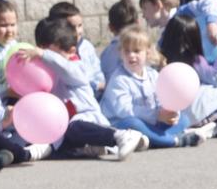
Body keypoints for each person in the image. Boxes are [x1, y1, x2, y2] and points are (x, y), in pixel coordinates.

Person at [21, 17, 147, 160]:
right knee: (59, 146)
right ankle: (33, 153)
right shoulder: (49, 74)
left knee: (73, 128)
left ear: (71, 51)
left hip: (87, 119)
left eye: (52, 54)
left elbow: (65, 69)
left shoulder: (76, 66)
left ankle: (122, 136)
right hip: (64, 127)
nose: (48, 60)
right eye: (44, 51)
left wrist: (43, 55)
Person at [99, 27, 202, 149]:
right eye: (127, 51)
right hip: (121, 123)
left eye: (136, 51)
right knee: (133, 123)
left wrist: (170, 113)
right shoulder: (119, 79)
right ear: (121, 53)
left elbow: (163, 98)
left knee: (183, 119)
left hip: (151, 123)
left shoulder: (153, 75)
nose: (131, 55)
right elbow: (125, 110)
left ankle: (152, 139)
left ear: (147, 53)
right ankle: (174, 141)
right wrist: (156, 115)